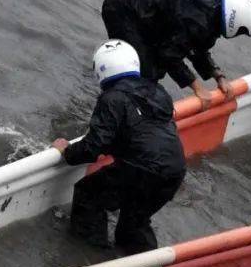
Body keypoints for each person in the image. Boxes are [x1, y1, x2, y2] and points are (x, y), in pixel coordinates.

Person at [53, 40, 186, 254]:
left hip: (142, 168)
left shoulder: (112, 98)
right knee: (134, 221)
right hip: (175, 169)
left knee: (89, 194)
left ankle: (87, 255)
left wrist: (66, 151)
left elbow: (93, 147)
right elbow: (143, 130)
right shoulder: (158, 91)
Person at [100, 0, 251, 107]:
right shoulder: (198, 19)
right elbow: (169, 55)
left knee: (153, 71)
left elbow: (197, 49)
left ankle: (130, 105)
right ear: (236, 21)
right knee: (144, 75)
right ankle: (117, 112)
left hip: (144, 15)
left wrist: (218, 76)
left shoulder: (212, 10)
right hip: (124, 10)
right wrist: (197, 88)